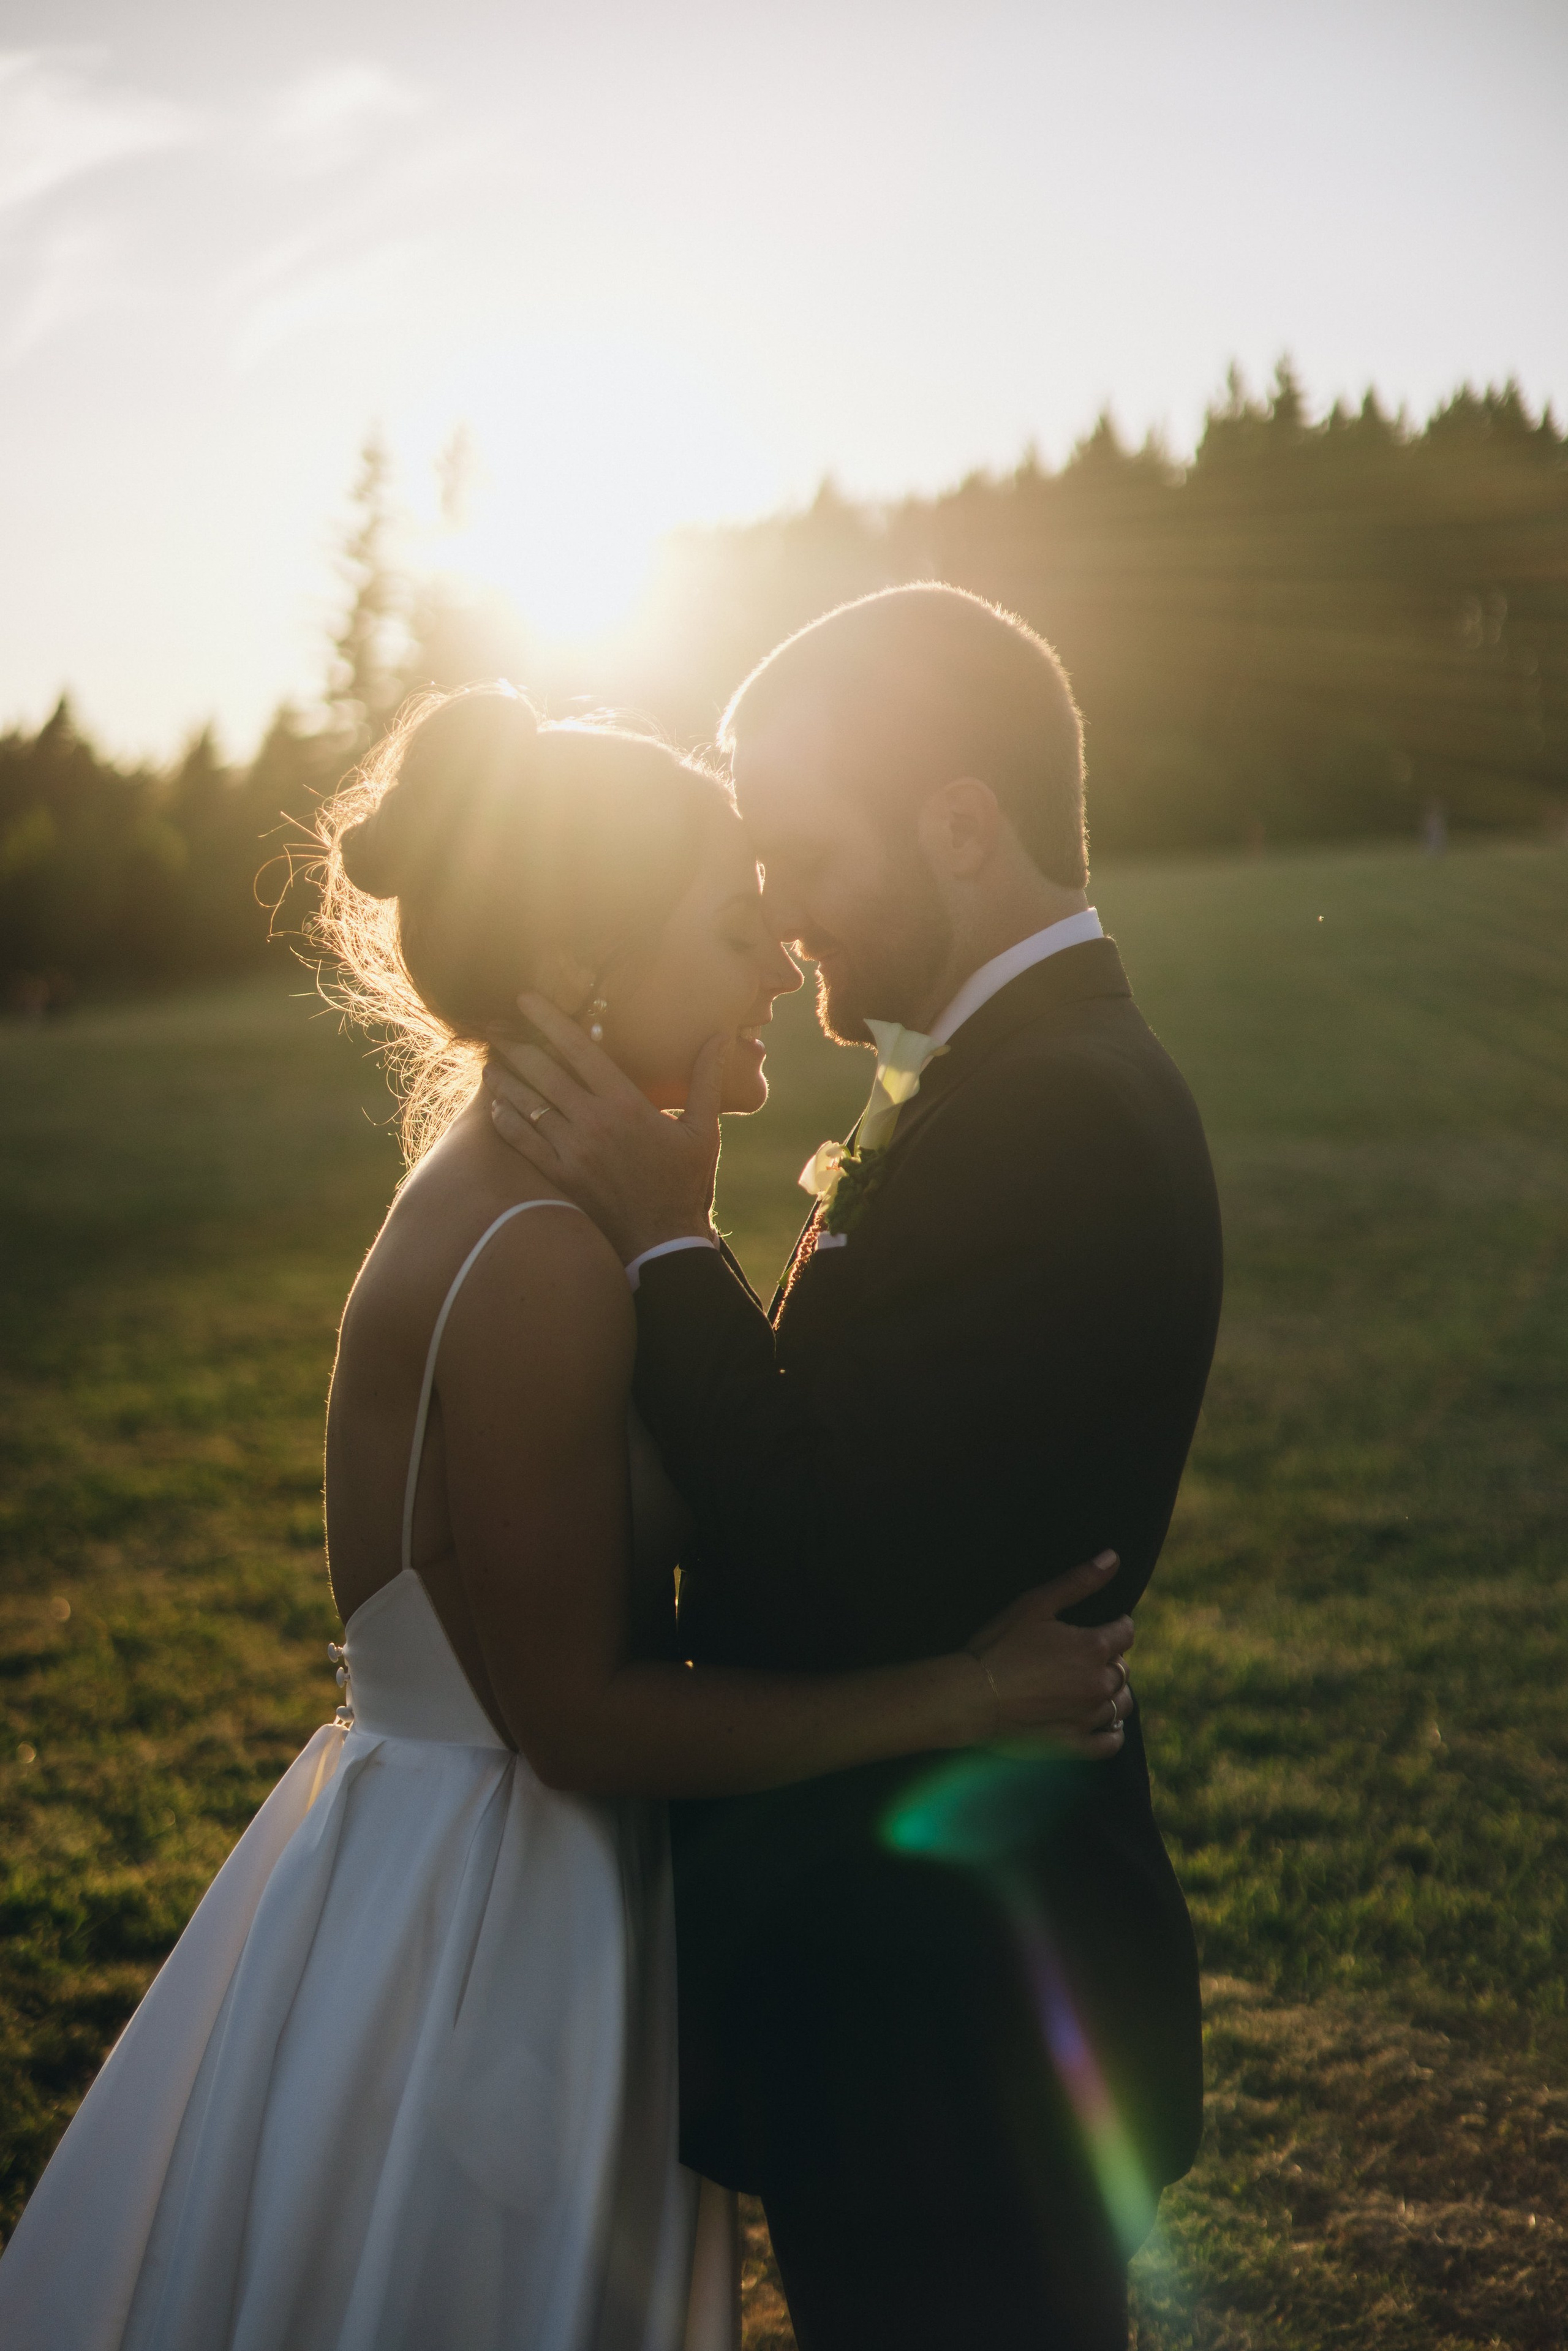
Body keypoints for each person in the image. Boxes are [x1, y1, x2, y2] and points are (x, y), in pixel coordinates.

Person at [0, 684, 1133, 2351]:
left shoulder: (568, 1209)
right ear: (593, 972)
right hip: (481, 1929)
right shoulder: (531, 1256)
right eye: (733, 925)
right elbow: (579, 1722)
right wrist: (971, 1696)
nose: (777, 960)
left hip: (504, 1878)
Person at [486, 586, 1224, 2351]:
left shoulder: (1056, 1115)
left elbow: (823, 1553)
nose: (777, 905)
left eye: (803, 852)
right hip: (930, 1988)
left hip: (958, 2020)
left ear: (959, 826)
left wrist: (668, 1246)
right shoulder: (1005, 1084)